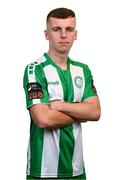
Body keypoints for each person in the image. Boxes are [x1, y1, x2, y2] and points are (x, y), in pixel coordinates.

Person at [23, 7, 101, 180]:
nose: (64, 35)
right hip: (43, 171)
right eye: (57, 29)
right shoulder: (35, 70)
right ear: (46, 34)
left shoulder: (83, 70)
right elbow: (43, 119)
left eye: (69, 29)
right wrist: (80, 112)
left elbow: (95, 112)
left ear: (76, 34)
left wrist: (62, 106)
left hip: (76, 170)